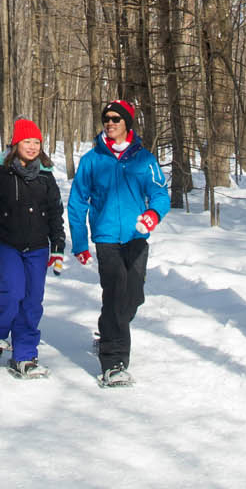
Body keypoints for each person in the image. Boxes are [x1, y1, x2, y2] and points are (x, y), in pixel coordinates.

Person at [67, 98, 170, 388]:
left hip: (136, 237)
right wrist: (80, 242)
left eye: (115, 119)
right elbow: (77, 203)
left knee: (133, 296)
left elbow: (161, 194)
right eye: (106, 119)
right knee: (115, 292)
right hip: (106, 237)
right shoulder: (92, 160)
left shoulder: (144, 159)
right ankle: (113, 361)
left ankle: (108, 329)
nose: (110, 123)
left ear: (128, 123)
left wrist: (152, 215)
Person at [0, 118, 65, 379]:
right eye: (27, 141)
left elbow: (55, 211)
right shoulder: (1, 172)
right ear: (16, 143)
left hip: (38, 247)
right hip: (6, 243)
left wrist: (58, 245)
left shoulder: (45, 174)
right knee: (12, 291)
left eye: (36, 142)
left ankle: (24, 355)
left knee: (32, 301)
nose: (32, 147)